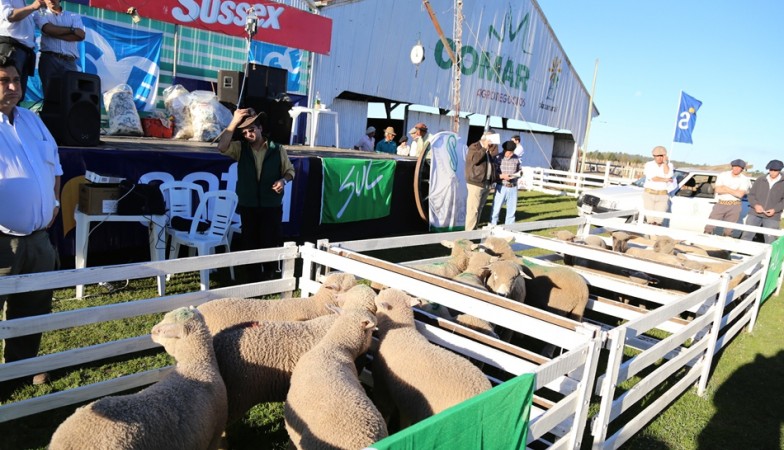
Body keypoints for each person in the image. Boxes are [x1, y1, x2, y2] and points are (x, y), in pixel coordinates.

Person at [0, 60, 61, 393]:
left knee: (35, 305)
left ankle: (22, 367)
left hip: (39, 237)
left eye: (17, 80)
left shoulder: (33, 120)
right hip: (1, 239)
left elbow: (55, 165)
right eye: (4, 81)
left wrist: (53, 203)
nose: (13, 87)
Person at [217, 108, 295, 281]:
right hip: (248, 203)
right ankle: (252, 276)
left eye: (251, 130)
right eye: (244, 132)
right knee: (249, 242)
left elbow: (290, 171)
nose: (247, 134)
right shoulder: (240, 148)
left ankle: (269, 273)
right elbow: (221, 146)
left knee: (269, 240)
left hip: (271, 204)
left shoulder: (277, 149)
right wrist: (234, 122)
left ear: (260, 128)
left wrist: (283, 181)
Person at [34, 0, 85, 97]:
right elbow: (47, 29)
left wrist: (53, 33)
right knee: (50, 96)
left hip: (69, 61)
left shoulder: (73, 16)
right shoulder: (41, 13)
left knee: (71, 96)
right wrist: (71, 30)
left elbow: (81, 35)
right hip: (49, 59)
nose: (51, 0)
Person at [0, 0, 41, 99]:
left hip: (25, 51)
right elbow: (9, 15)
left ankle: (11, 114)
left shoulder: (24, 3)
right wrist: (33, 7)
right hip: (11, 48)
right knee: (6, 91)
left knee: (17, 95)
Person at [740, 159, 784, 244]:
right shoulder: (760, 180)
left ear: (780, 170)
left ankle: (770, 257)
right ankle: (741, 254)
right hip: (754, 213)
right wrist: (756, 205)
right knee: (747, 235)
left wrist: (775, 210)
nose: (773, 172)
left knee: (770, 239)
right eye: (771, 170)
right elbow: (751, 195)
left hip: (773, 216)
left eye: (775, 170)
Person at [704, 159, 751, 236]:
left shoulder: (744, 179)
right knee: (709, 226)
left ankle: (725, 245)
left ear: (742, 169)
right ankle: (704, 240)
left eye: (738, 167)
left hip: (735, 205)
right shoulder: (723, 175)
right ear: (732, 167)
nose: (736, 169)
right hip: (721, 203)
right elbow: (718, 189)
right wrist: (734, 191)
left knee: (729, 230)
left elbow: (740, 194)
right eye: (734, 166)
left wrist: (725, 188)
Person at [464, 131, 499, 231]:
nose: (493, 143)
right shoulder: (474, 147)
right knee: (473, 210)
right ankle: (469, 234)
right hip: (476, 183)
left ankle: (474, 231)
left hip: (486, 184)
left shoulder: (489, 150)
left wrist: (491, 148)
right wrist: (484, 148)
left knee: (479, 209)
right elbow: (475, 159)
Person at [490, 140, 521, 225]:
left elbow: (519, 170)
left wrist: (519, 174)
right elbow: (494, 173)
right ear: (504, 150)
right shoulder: (497, 158)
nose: (511, 154)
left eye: (512, 152)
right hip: (502, 186)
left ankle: (509, 229)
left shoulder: (516, 158)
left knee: (511, 211)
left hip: (513, 187)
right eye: (509, 152)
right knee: (496, 209)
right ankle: (492, 226)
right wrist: (503, 176)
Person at [642, 145, 674, 225]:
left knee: (659, 220)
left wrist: (665, 163)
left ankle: (655, 236)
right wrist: (665, 179)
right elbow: (652, 178)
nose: (659, 158)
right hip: (649, 194)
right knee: (650, 220)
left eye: (661, 156)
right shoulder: (649, 165)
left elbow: (668, 174)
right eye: (657, 156)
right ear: (654, 156)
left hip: (662, 195)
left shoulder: (669, 165)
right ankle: (651, 236)